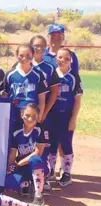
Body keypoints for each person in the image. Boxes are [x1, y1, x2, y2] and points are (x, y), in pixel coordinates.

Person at [48, 48, 83, 187]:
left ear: (71, 61)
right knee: (51, 143)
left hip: (66, 116)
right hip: (51, 116)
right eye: (60, 57)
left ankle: (66, 173)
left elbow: (77, 101)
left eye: (66, 58)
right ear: (56, 58)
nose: (62, 60)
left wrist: (73, 119)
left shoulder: (74, 77)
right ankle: (50, 171)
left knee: (66, 143)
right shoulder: (51, 74)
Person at [29, 35, 60, 190]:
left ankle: (44, 174)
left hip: (42, 113)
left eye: (41, 45)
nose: (38, 48)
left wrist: (44, 112)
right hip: (24, 114)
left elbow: (54, 92)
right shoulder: (23, 63)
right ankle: (26, 175)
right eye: (35, 45)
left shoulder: (49, 67)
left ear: (46, 47)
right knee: (24, 142)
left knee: (43, 143)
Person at [5, 103, 49, 206]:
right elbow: (13, 153)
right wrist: (11, 166)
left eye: (34, 116)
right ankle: (27, 184)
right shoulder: (17, 130)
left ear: (38, 117)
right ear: (21, 115)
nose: (30, 119)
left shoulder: (40, 129)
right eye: (27, 115)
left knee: (35, 159)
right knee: (10, 183)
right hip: (21, 166)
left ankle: (38, 195)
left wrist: (18, 164)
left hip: (37, 166)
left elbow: (38, 153)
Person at [3, 44, 48, 123]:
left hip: (31, 117)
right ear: (17, 56)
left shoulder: (38, 75)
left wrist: (39, 116)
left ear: (33, 55)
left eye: (28, 55)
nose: (24, 58)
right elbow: (5, 96)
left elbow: (42, 99)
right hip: (13, 115)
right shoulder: (10, 74)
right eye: (21, 55)